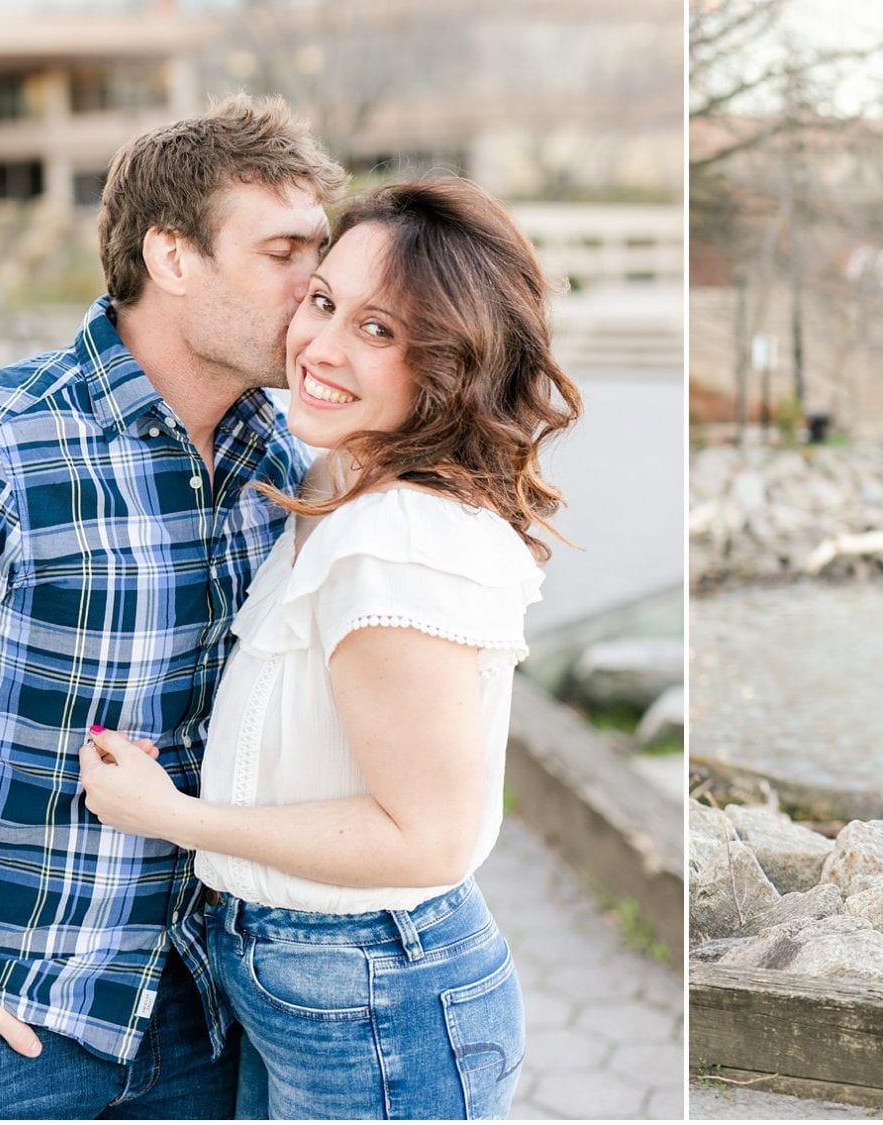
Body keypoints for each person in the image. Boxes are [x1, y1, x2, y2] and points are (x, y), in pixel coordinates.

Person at [0, 94, 348, 1120]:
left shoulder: (283, 459)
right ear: (172, 257)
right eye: (283, 250)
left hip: (211, 1016)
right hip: (9, 1030)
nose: (317, 282)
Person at [76, 178, 583, 1119]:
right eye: (323, 301)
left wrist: (172, 814)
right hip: (310, 981)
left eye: (379, 331)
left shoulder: (395, 537)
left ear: (451, 364)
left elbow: (424, 834)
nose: (320, 346)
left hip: (371, 994)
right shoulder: (340, 473)